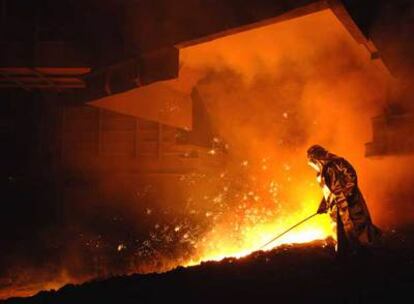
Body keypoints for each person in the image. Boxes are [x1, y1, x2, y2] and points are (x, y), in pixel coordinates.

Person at [307, 145, 381, 258]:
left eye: (312, 161)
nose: (313, 164)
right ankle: (348, 254)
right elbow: (328, 192)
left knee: (358, 226)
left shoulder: (337, 162)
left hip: (349, 203)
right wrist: (323, 205)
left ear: (317, 158)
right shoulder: (321, 174)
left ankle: (368, 253)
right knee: (341, 232)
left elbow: (351, 176)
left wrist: (347, 195)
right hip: (336, 208)